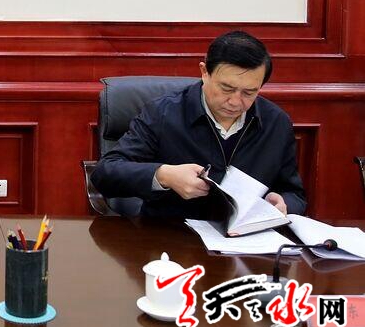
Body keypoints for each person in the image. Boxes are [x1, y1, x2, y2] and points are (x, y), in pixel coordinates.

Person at [91, 30, 307, 218]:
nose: (235, 101)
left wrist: (283, 204)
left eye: (249, 92)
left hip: (244, 242)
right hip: (172, 236)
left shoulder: (276, 122)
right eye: (227, 88)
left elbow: (294, 194)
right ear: (204, 72)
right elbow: (105, 173)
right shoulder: (163, 113)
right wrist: (164, 175)